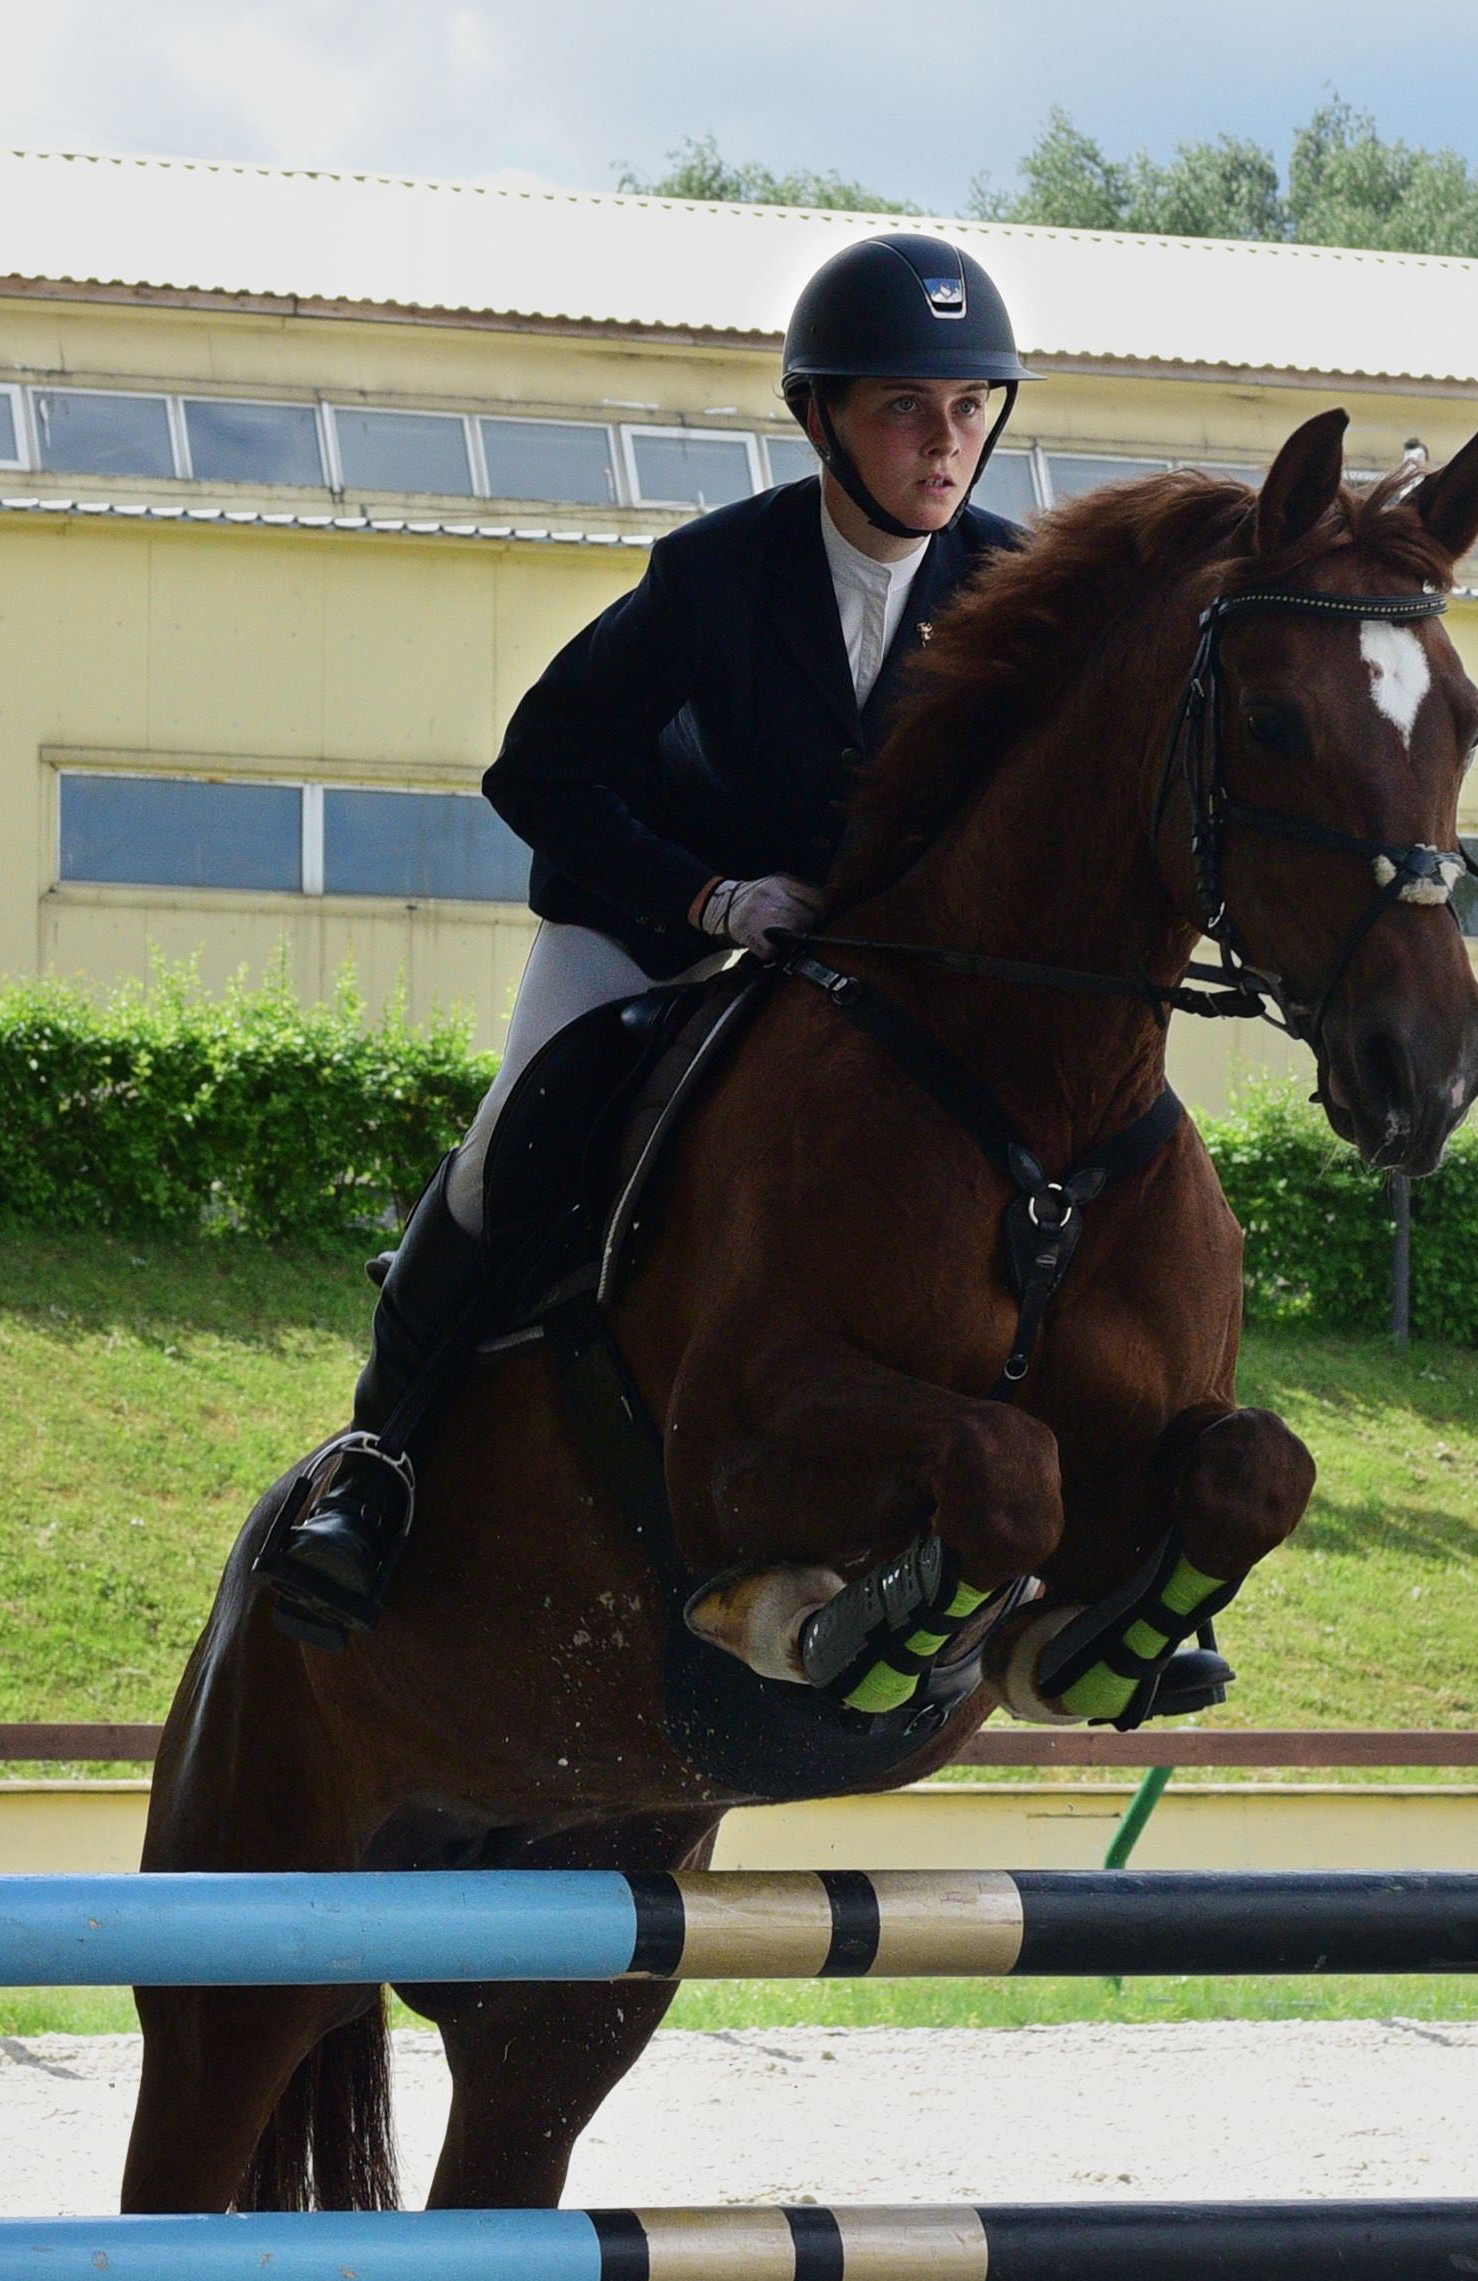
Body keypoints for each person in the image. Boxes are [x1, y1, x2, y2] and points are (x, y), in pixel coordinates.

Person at [254, 233, 1036, 1648]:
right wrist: (710, 897)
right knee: (514, 1141)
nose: (946, 443)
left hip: (880, 970)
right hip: (660, 925)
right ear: (820, 420)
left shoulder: (1013, 588)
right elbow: (537, 769)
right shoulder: (714, 577)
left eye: (972, 406)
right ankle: (378, 1464)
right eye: (906, 408)